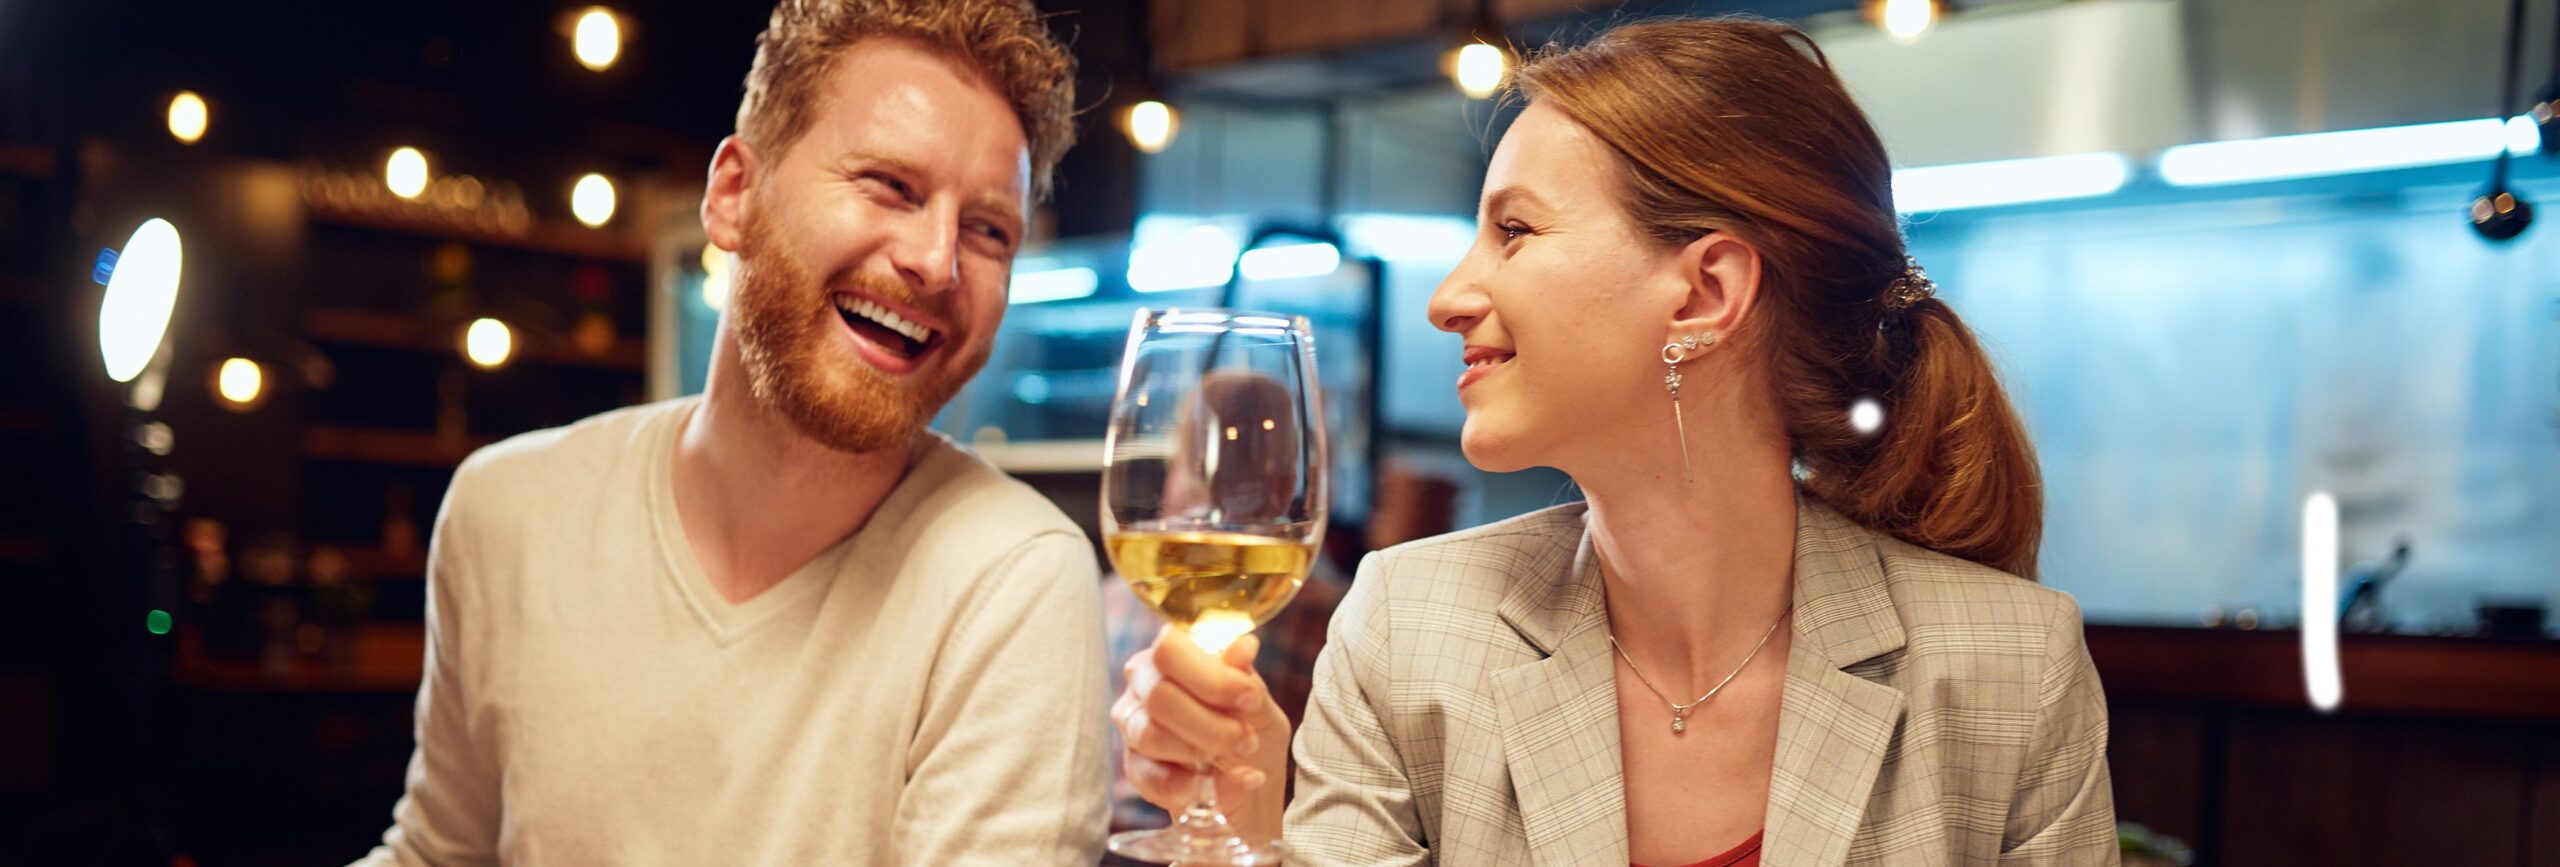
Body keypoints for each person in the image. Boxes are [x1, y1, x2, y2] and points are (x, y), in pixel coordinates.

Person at [1112, 16, 2118, 867]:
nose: (1448, 298)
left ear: (1705, 293)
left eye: (1513, 232)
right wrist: (1243, 819)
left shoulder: (2010, 674)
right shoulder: (1407, 633)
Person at [351, 1, 1108, 864]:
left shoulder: (1010, 578)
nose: (937, 262)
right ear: (734, 196)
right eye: (891, 186)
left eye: (987, 231)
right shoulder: (508, 509)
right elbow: (439, 850)